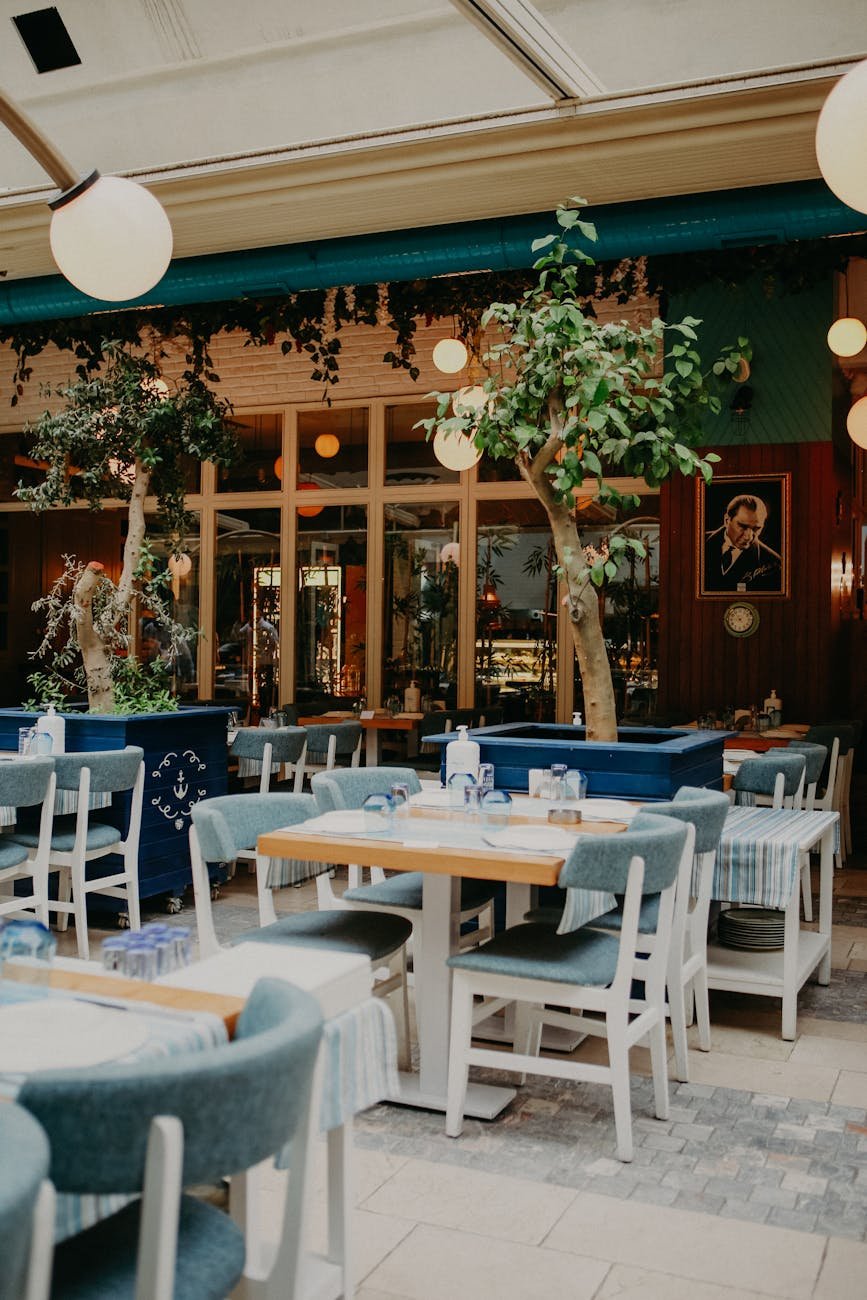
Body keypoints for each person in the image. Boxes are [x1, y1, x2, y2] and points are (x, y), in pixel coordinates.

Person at [703, 493, 782, 592]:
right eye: (743, 526)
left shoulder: (774, 563)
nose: (749, 536)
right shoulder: (695, 543)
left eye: (756, 528)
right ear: (727, 520)